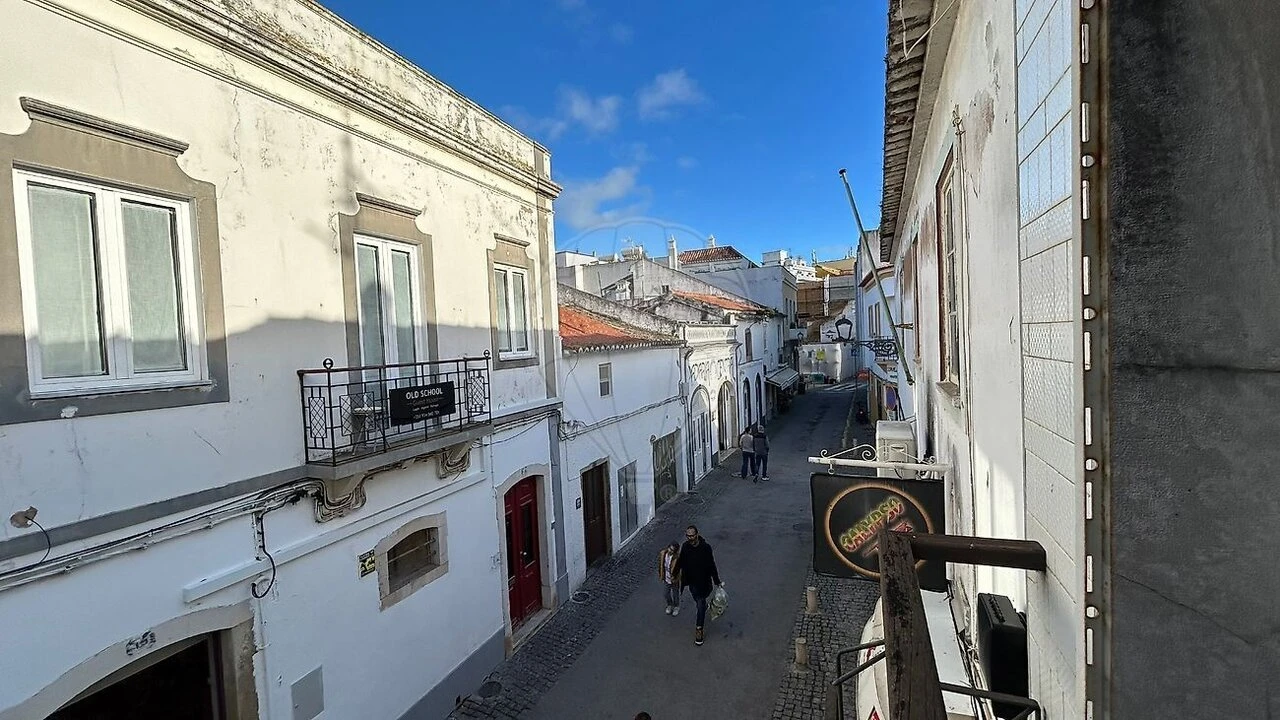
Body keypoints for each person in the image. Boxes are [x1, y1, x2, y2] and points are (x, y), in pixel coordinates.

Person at [674, 524, 722, 646]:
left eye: (692, 535)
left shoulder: (705, 548)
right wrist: (674, 574)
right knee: (699, 602)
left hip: (705, 582)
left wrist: (717, 581)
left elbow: (712, 564)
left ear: (697, 534)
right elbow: (680, 561)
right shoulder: (685, 547)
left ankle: (700, 623)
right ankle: (700, 623)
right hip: (692, 582)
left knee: (701, 602)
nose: (690, 538)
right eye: (688, 536)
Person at [658, 541, 681, 616]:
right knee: (666, 593)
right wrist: (661, 575)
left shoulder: (677, 558)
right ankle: (670, 605)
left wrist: (675, 577)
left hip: (674, 579)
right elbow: (660, 565)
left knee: (675, 594)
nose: (670, 551)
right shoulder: (663, 554)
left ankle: (676, 607)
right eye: (669, 548)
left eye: (672, 550)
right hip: (666, 578)